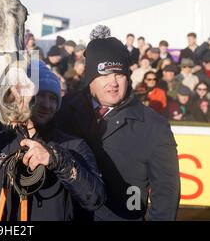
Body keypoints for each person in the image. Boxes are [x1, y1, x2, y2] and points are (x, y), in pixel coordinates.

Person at [56, 25, 180, 221]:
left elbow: (166, 193)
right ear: (90, 78)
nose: (113, 82)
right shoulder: (62, 110)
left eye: (119, 74)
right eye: (104, 75)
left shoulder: (154, 125)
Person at [0, 61, 105, 221]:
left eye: (53, 98)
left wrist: (57, 161)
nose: (47, 104)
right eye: (40, 95)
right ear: (20, 97)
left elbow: (95, 199)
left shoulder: (73, 146)